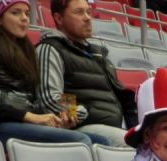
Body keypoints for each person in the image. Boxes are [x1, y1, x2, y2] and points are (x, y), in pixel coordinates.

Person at [0, 0, 107, 146]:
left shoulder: (26, 49)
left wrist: (70, 113)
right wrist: (30, 117)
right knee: (80, 141)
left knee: (101, 141)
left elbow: (44, 94)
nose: (24, 18)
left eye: (27, 13)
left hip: (25, 121)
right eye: (15, 13)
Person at [36, 0, 137, 147]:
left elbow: (121, 97)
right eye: (79, 12)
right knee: (135, 145)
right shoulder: (51, 48)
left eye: (88, 12)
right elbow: (51, 97)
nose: (87, 18)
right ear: (59, 18)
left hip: (114, 126)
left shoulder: (97, 54)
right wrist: (82, 111)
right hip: (82, 127)